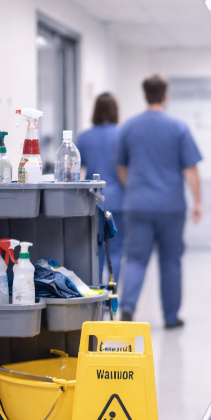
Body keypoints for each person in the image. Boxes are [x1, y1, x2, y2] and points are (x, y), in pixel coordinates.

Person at [115, 74, 203, 328]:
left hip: (138, 204)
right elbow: (190, 170)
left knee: (135, 258)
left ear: (144, 96)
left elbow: (121, 167)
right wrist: (198, 201)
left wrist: (134, 189)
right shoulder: (178, 127)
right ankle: (171, 317)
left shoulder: (129, 127)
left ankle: (128, 308)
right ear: (166, 95)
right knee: (170, 261)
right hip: (171, 206)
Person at [76, 93, 124, 283]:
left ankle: (97, 292)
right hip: (118, 200)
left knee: (96, 250)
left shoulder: (84, 137)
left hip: (93, 201)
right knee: (117, 250)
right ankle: (112, 292)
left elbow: (76, 170)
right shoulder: (121, 135)